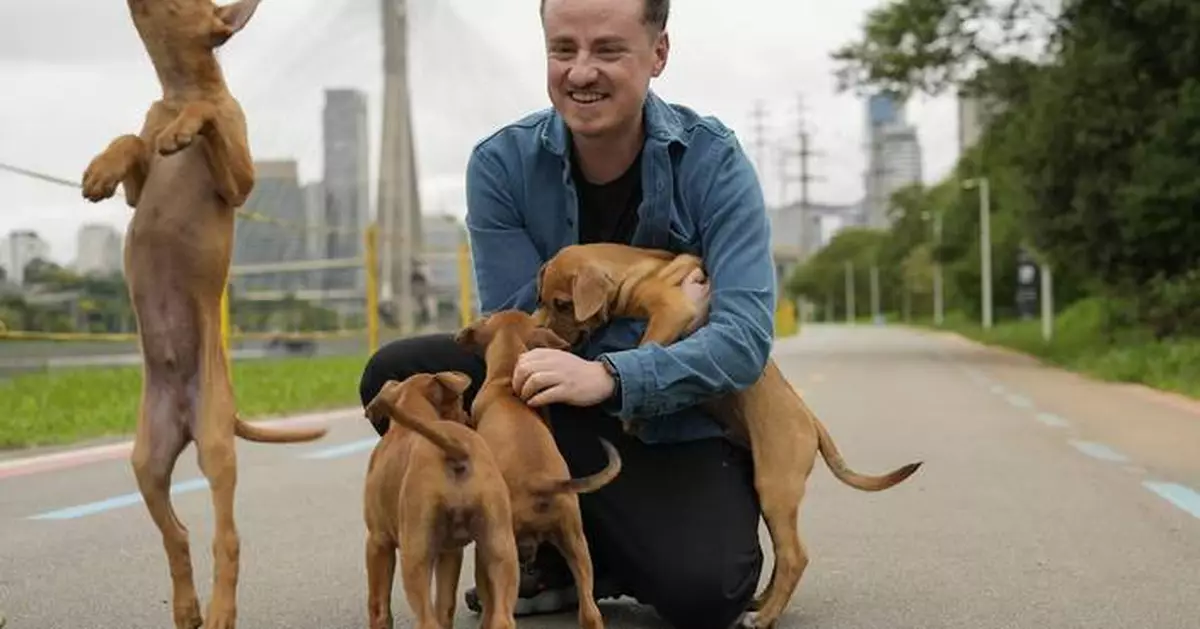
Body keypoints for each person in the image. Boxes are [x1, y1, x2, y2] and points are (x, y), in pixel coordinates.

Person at [357, 0, 778, 627]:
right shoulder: (501, 164)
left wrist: (615, 375)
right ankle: (541, 540)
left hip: (672, 421)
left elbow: (744, 340)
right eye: (563, 50)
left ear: (658, 53)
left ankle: (589, 543)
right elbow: (514, 330)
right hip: (550, 407)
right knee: (401, 375)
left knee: (707, 592)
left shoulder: (712, 161)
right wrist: (667, 317)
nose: (581, 72)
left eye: (608, 50)